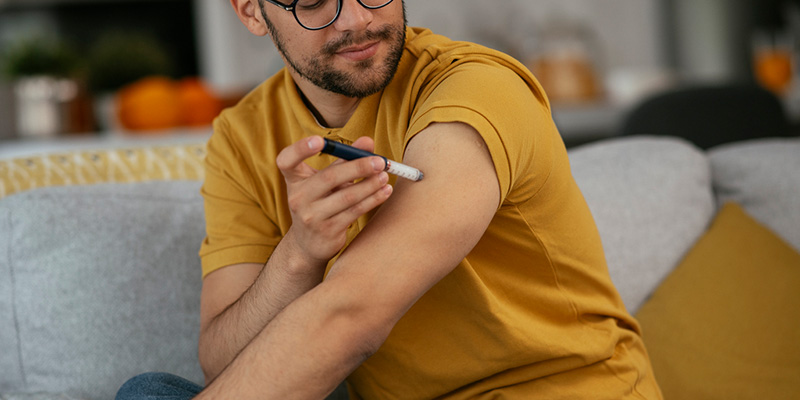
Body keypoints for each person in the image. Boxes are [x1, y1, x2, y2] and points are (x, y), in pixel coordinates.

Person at [117, 0, 663, 398]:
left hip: (556, 392)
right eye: (313, 1)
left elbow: (352, 314)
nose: (356, 19)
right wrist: (300, 255)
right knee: (149, 392)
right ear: (252, 12)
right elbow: (223, 364)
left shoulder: (477, 88)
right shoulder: (242, 136)